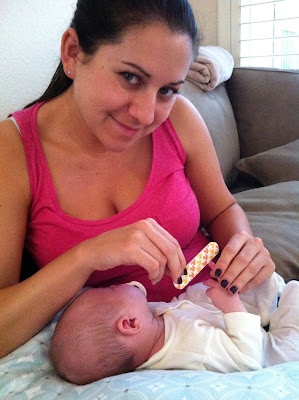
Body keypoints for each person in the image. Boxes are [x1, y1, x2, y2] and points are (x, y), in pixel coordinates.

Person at [0, 0, 275, 359]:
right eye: (130, 77)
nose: (146, 115)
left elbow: (221, 208)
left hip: (227, 326)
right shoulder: (14, 150)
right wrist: (88, 256)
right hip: (137, 357)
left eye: (167, 90)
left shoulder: (180, 119)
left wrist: (243, 244)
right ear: (72, 53)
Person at [50, 276, 299, 385]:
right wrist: (231, 307)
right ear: (129, 324)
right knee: (295, 293)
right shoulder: (190, 350)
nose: (121, 284)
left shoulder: (149, 328)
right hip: (272, 352)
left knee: (257, 285)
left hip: (226, 320)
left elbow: (181, 307)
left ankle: (271, 296)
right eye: (113, 290)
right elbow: (248, 358)